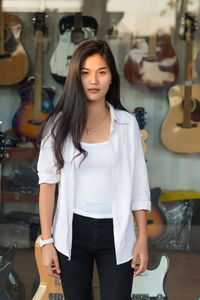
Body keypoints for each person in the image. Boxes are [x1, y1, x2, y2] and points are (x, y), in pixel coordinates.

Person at [36, 39, 151, 300]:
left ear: (112, 77)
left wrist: (142, 237)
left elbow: (138, 186)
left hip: (117, 232)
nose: (94, 80)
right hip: (72, 233)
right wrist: (47, 242)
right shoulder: (58, 125)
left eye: (101, 72)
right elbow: (47, 185)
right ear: (76, 78)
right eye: (86, 73)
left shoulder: (127, 124)